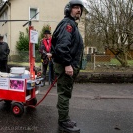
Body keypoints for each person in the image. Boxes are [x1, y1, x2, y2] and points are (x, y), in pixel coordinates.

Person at [51, 0, 84, 132]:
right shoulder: (68, 24)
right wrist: (67, 64)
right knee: (64, 94)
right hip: (66, 66)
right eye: (75, 7)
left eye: (80, 8)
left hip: (69, 65)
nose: (79, 10)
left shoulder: (72, 25)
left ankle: (64, 118)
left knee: (66, 93)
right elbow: (62, 47)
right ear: (68, 9)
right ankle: (63, 121)